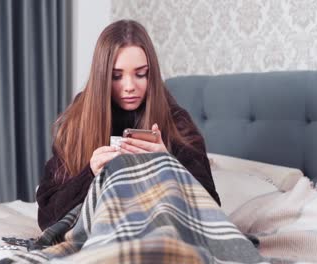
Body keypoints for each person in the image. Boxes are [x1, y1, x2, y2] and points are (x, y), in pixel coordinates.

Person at [36, 19, 220, 231]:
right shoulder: (78, 120)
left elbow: (211, 209)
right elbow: (47, 218)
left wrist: (167, 166)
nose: (130, 86)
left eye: (140, 74)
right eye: (116, 76)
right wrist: (90, 175)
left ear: (151, 74)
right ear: (101, 77)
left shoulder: (176, 121)